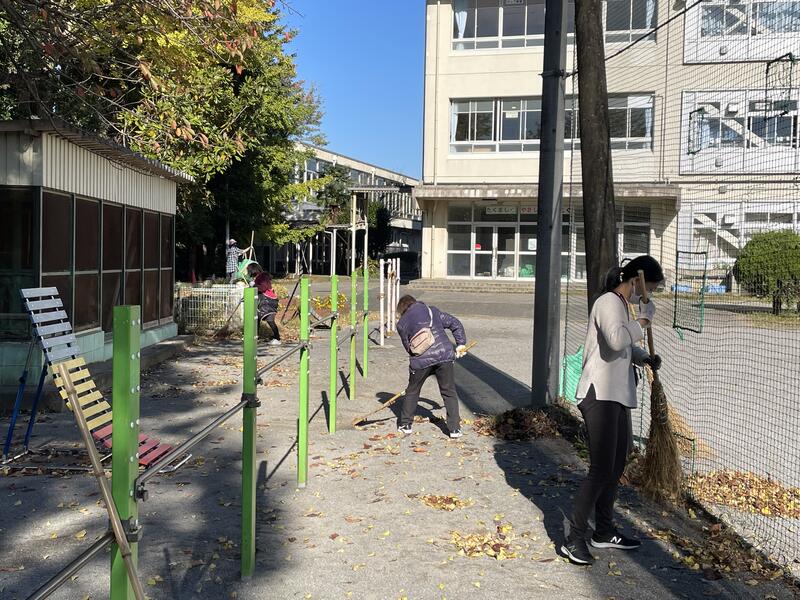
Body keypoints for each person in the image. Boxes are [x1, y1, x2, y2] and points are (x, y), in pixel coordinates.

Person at [561, 255, 664, 566]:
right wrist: (643, 321)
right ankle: (573, 538)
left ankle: (603, 531)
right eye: (649, 288)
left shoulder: (621, 306)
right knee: (601, 470)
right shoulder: (608, 301)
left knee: (616, 465)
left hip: (616, 395)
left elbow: (623, 347)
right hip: (599, 394)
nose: (648, 295)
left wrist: (643, 357)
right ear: (635, 281)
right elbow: (616, 340)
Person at [395, 295, 468, 439]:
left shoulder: (401, 324)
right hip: (444, 356)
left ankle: (406, 425)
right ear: (414, 302)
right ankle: (455, 429)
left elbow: (408, 347)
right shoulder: (431, 311)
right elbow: (455, 323)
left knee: (412, 391)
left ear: (401, 310)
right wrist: (460, 344)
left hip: (421, 361)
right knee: (448, 391)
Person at [251, 265, 281, 346]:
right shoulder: (260, 276)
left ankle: (277, 338)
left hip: (268, 301)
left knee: (270, 320)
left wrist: (254, 285)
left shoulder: (262, 277)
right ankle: (255, 337)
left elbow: (263, 288)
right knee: (257, 318)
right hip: (265, 302)